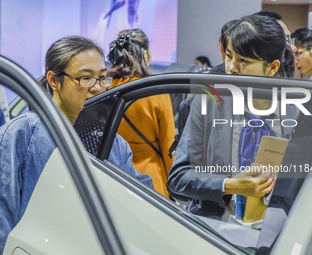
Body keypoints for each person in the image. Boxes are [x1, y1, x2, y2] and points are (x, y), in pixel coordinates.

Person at [0, 35, 153, 253]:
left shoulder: (114, 143)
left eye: (102, 78)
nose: (98, 88)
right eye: (85, 78)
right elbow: (3, 217)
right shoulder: (20, 135)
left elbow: (141, 204)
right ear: (54, 81)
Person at [167, 14, 296, 222]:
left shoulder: (295, 111)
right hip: (217, 230)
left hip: (276, 234)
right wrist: (228, 184)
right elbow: (178, 177)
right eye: (229, 56)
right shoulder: (208, 103)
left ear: (272, 67)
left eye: (243, 60)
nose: (231, 68)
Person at [107, 29, 175, 198]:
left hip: (115, 176)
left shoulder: (107, 91)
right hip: (151, 179)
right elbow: (169, 146)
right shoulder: (156, 92)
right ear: (145, 55)